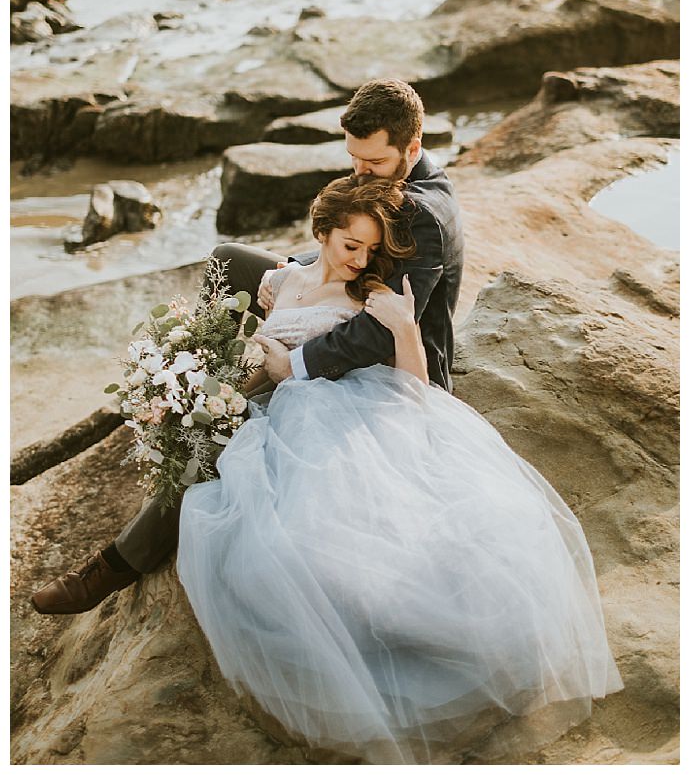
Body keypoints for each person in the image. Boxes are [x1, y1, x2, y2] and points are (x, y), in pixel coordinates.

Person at [176, 175, 623, 765]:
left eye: (369, 248)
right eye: (348, 245)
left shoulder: (372, 297)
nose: (361, 258)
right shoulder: (278, 282)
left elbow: (414, 384)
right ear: (322, 233)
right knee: (278, 544)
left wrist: (404, 326)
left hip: (351, 412)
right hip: (278, 418)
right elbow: (252, 346)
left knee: (365, 537)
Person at [30, 78, 465, 615]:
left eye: (371, 162)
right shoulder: (394, 173)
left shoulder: (425, 214)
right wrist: (299, 270)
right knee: (229, 261)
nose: (358, 171)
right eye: (353, 157)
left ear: (412, 149)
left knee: (226, 434)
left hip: (380, 360)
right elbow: (348, 241)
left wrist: (293, 363)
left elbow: (383, 327)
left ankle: (114, 565)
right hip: (344, 303)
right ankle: (203, 365)